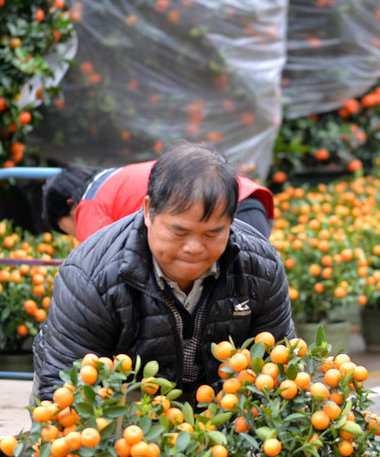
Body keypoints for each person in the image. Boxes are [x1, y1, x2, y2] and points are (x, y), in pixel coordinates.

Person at [32, 143, 294, 401]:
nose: (194, 248)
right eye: (178, 232)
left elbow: (278, 367)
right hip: (120, 404)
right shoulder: (91, 275)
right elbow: (65, 386)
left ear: (231, 221)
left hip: (214, 404)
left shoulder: (260, 266)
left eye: (212, 233)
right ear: (148, 211)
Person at [41, 158, 275, 240]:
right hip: (248, 204)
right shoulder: (113, 180)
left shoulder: (90, 203)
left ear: (71, 206)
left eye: (69, 230)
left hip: (224, 214)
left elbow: (98, 268)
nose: (78, 236)